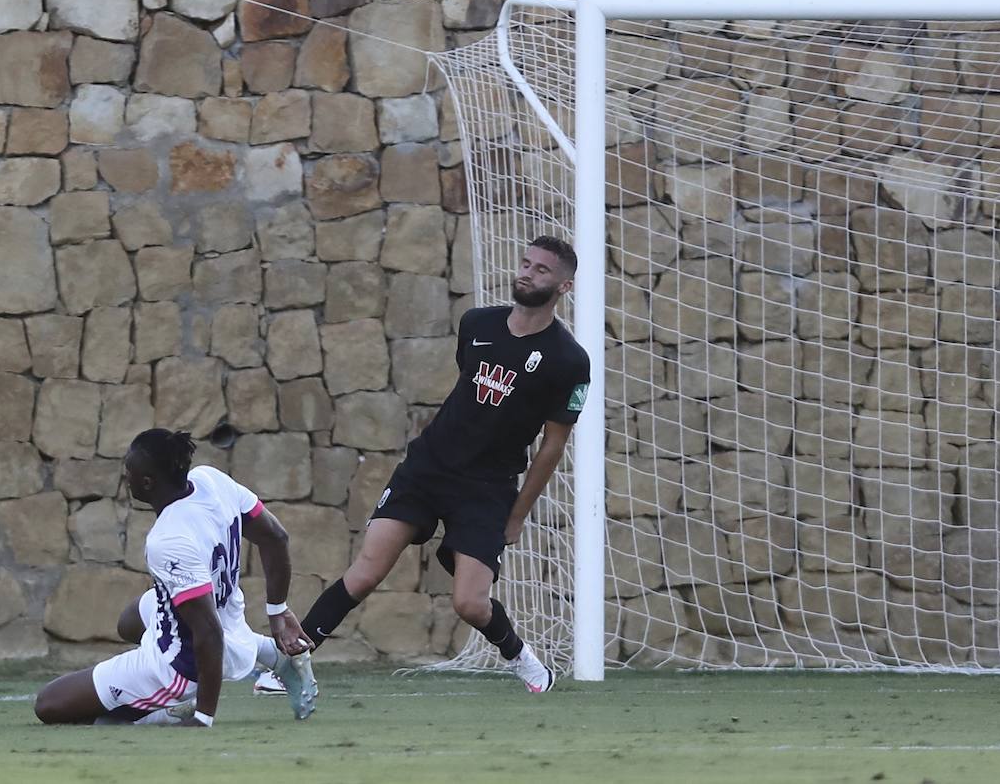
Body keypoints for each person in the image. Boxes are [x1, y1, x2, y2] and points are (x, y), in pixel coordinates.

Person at [256, 235, 590, 695]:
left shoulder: (570, 360)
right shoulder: (477, 324)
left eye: (541, 270)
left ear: (563, 287)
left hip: (487, 487)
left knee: (470, 604)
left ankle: (522, 658)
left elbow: (552, 447)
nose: (528, 273)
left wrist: (517, 516)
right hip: (428, 468)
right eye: (526, 264)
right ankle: (290, 666)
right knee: (367, 570)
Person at [34, 429, 319, 725]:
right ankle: (274, 655)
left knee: (50, 704)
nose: (125, 477)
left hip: (179, 666)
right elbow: (276, 537)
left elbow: (208, 632)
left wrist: (203, 716)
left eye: (129, 471)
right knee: (129, 620)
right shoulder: (211, 479)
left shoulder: (168, 540)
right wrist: (278, 610)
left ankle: (166, 708)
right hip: (225, 620)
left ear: (147, 482)